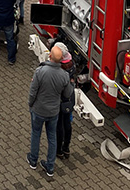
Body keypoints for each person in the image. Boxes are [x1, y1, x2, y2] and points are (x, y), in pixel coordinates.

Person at [27, 45, 73, 177]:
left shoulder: (40, 71)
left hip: (38, 110)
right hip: (53, 112)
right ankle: (50, 166)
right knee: (52, 137)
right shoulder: (64, 75)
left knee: (36, 133)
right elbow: (67, 93)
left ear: (50, 56)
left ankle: (33, 160)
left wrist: (30, 104)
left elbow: (33, 91)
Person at [55, 46, 76, 160]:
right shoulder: (72, 66)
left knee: (59, 127)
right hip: (69, 103)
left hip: (60, 102)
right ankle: (66, 148)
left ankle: (58, 150)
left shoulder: (61, 73)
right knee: (67, 125)